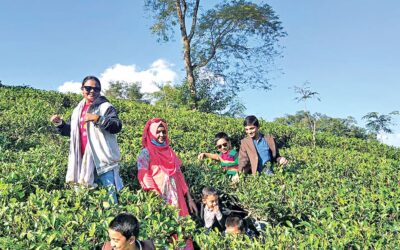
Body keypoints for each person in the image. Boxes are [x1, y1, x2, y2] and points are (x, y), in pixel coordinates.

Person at [50, 76, 123, 203]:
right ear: (82, 89)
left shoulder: (106, 107)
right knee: (86, 198)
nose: (92, 91)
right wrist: (60, 124)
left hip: (102, 161)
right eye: (88, 88)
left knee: (110, 198)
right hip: (83, 159)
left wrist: (98, 119)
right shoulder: (77, 110)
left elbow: (116, 126)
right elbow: (73, 132)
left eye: (96, 89)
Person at [137, 118, 198, 249]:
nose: (161, 135)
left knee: (182, 231)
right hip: (161, 198)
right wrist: (156, 197)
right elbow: (143, 175)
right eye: (158, 132)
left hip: (179, 200)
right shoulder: (146, 153)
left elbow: (179, 176)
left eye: (164, 131)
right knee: (166, 232)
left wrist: (189, 198)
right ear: (151, 133)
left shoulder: (170, 152)